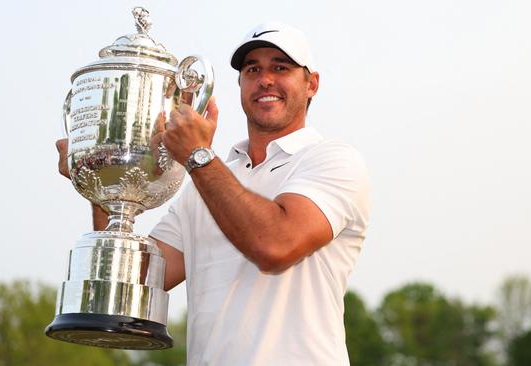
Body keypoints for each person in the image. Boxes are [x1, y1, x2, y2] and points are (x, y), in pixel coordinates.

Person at [57, 22, 370, 366]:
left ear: (311, 84)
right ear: (240, 86)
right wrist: (103, 167)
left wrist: (197, 155)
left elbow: (275, 246)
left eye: (281, 67)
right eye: (253, 70)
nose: (265, 79)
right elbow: (132, 279)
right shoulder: (203, 186)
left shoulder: (332, 160)